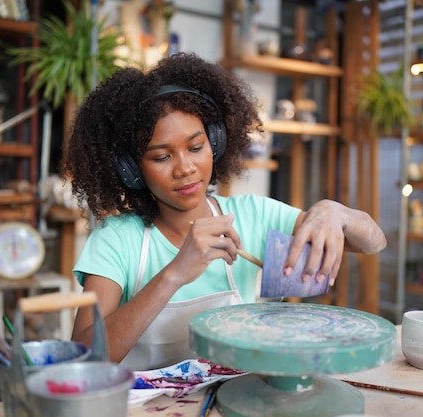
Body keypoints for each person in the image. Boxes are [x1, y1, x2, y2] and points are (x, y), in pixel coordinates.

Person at [63, 52, 386, 371]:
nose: (185, 168)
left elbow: (373, 242)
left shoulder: (255, 216)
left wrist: (333, 213)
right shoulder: (117, 240)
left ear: (215, 143)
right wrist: (174, 274)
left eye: (196, 147)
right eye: (161, 157)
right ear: (131, 169)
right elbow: (86, 358)